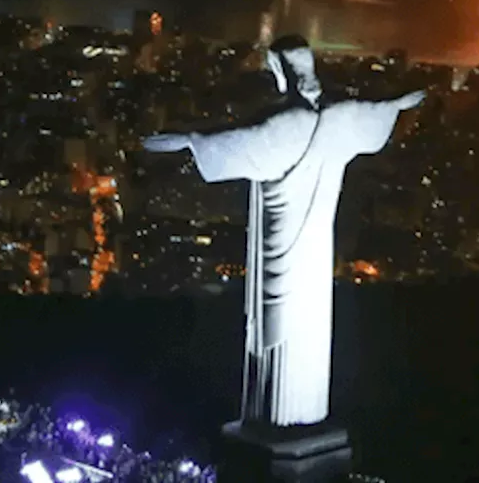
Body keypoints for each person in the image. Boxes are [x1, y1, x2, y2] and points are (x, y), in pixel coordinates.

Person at [144, 36, 423, 427]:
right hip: (316, 254)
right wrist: (399, 103)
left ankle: (276, 421)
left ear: (279, 72)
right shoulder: (338, 117)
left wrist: (190, 141)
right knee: (308, 328)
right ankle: (300, 418)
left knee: (276, 330)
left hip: (281, 250)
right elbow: (374, 113)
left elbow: (234, 142)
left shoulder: (283, 125)